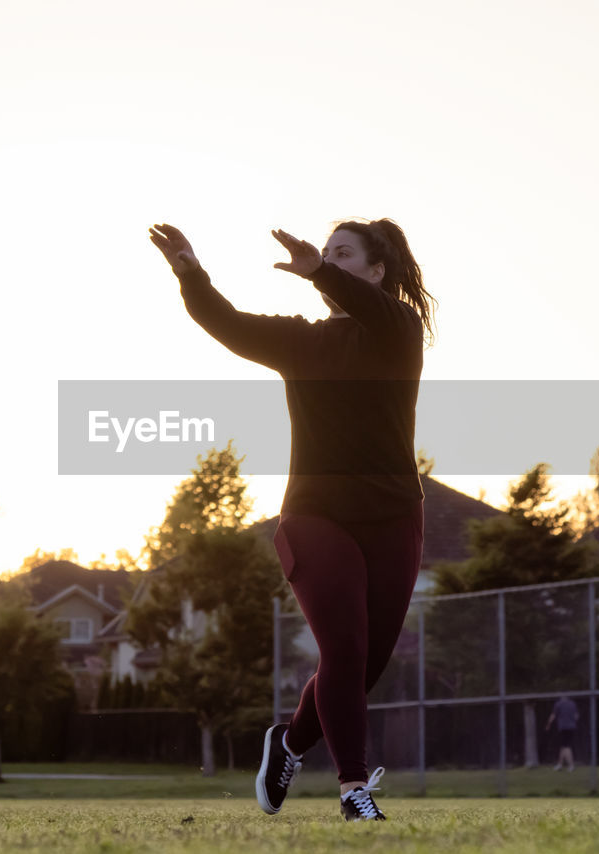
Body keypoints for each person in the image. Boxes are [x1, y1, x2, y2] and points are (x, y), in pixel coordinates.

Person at [150, 220, 435, 822]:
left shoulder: (398, 330)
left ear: (376, 271)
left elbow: (369, 309)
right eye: (326, 252)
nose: (327, 259)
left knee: (365, 665)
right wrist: (189, 272)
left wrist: (318, 271)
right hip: (315, 512)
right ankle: (353, 789)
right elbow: (226, 324)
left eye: (343, 254)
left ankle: (289, 742)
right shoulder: (301, 342)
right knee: (345, 648)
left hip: (392, 515)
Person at [546, 695, 578, 771]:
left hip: (563, 727)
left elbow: (553, 715)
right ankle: (559, 764)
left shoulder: (558, 704)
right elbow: (576, 716)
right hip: (572, 727)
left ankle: (571, 765)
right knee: (563, 746)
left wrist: (548, 724)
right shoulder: (572, 704)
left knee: (566, 747)